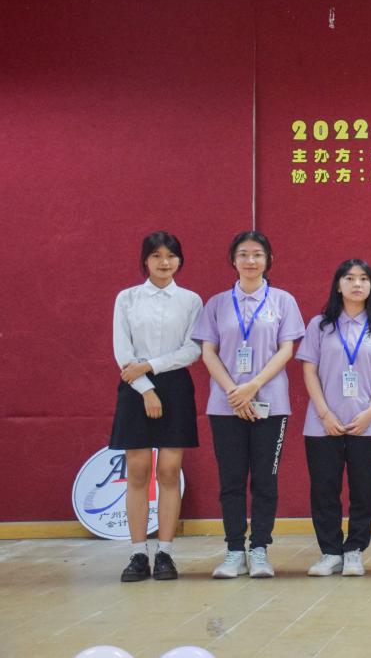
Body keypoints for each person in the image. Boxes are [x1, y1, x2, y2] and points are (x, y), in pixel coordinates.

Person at [192, 230, 304, 579]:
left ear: (268, 260)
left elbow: (287, 350)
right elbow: (208, 352)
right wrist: (233, 392)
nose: (250, 260)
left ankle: (259, 549)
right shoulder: (217, 304)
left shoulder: (283, 301)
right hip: (226, 405)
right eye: (243, 254)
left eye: (257, 254)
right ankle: (233, 551)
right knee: (231, 480)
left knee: (265, 480)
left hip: (271, 403)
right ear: (233, 260)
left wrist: (253, 385)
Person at [111, 231, 203, 582]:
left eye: (171, 256)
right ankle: (138, 553)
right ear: (145, 260)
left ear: (180, 260)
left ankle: (165, 553)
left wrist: (151, 366)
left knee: (168, 470)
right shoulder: (127, 298)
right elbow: (123, 352)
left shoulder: (191, 300)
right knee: (137, 471)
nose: (164, 262)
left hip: (175, 386)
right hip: (134, 386)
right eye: (156, 256)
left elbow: (192, 349)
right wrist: (146, 388)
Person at [296, 259, 371, 577]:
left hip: (367, 423)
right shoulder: (320, 325)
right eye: (349, 278)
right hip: (323, 423)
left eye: (364, 278)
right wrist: (324, 413)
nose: (357, 284)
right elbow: (309, 370)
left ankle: (354, 550)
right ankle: (330, 551)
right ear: (338, 285)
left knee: (363, 489)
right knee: (324, 489)